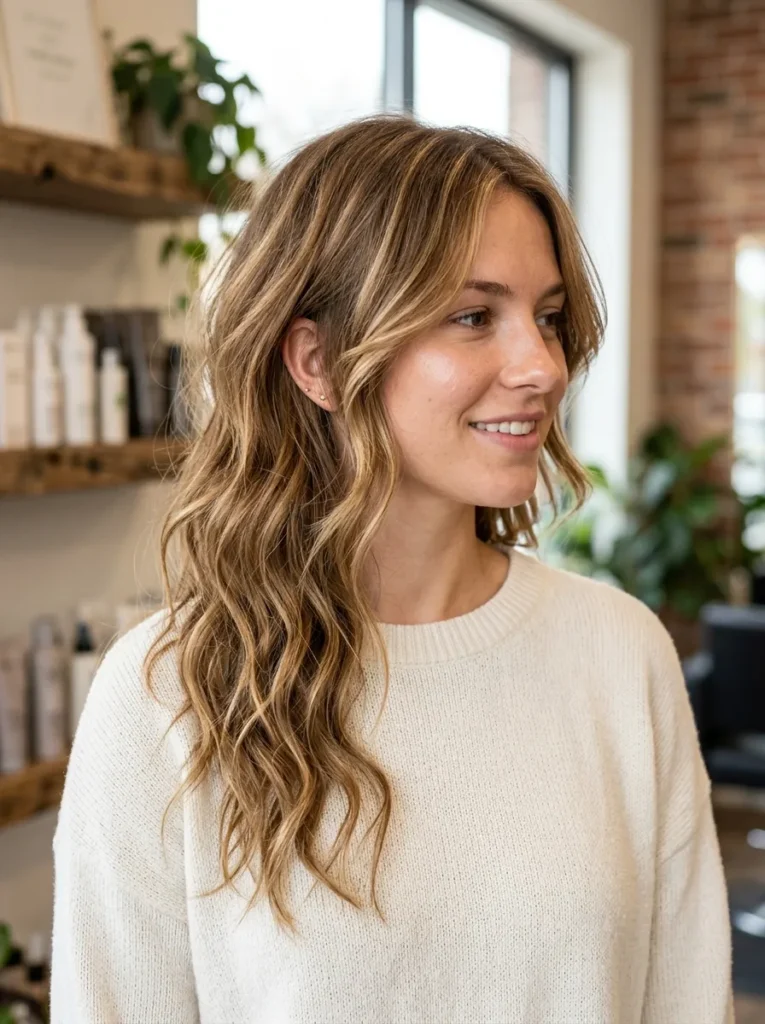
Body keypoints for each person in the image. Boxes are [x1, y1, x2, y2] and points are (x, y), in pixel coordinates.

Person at [50, 113, 734, 1023]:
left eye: (549, 317)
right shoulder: (164, 698)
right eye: (471, 316)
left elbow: (685, 1002)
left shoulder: (619, 654)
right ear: (318, 361)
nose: (541, 366)